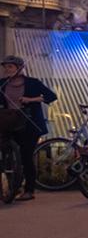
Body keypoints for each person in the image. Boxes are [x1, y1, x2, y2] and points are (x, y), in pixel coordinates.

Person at [0, 56, 57, 200]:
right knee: (5, 154)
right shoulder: (2, 84)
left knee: (26, 155)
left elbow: (51, 96)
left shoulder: (32, 83)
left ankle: (29, 190)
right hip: (8, 122)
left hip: (29, 123)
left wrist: (31, 100)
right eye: (5, 67)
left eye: (10, 67)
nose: (7, 70)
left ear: (19, 68)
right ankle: (10, 185)